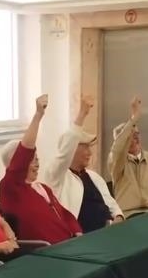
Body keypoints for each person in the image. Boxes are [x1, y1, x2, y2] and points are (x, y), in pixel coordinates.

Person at [0, 94, 82, 244]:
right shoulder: (9, 187)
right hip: (44, 249)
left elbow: (64, 214)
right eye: (32, 160)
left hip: (68, 243)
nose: (37, 164)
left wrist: (77, 231)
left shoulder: (43, 188)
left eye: (37, 159)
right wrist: (38, 115)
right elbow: (24, 152)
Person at [43, 95, 123, 233]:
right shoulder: (57, 177)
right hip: (83, 236)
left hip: (109, 231)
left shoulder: (93, 177)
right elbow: (64, 153)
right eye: (85, 147)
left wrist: (119, 216)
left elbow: (110, 202)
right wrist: (82, 114)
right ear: (73, 149)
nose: (89, 153)